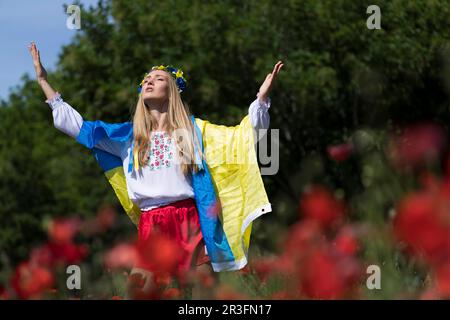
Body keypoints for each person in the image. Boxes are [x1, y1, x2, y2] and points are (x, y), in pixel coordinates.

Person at [28, 41, 283, 298]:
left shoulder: (193, 132)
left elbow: (243, 136)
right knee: (141, 292)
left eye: (158, 78)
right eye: (146, 79)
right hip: (151, 224)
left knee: (198, 296)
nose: (149, 82)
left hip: (190, 223)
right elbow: (78, 127)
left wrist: (261, 100)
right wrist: (43, 82)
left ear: (171, 90)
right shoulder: (128, 137)